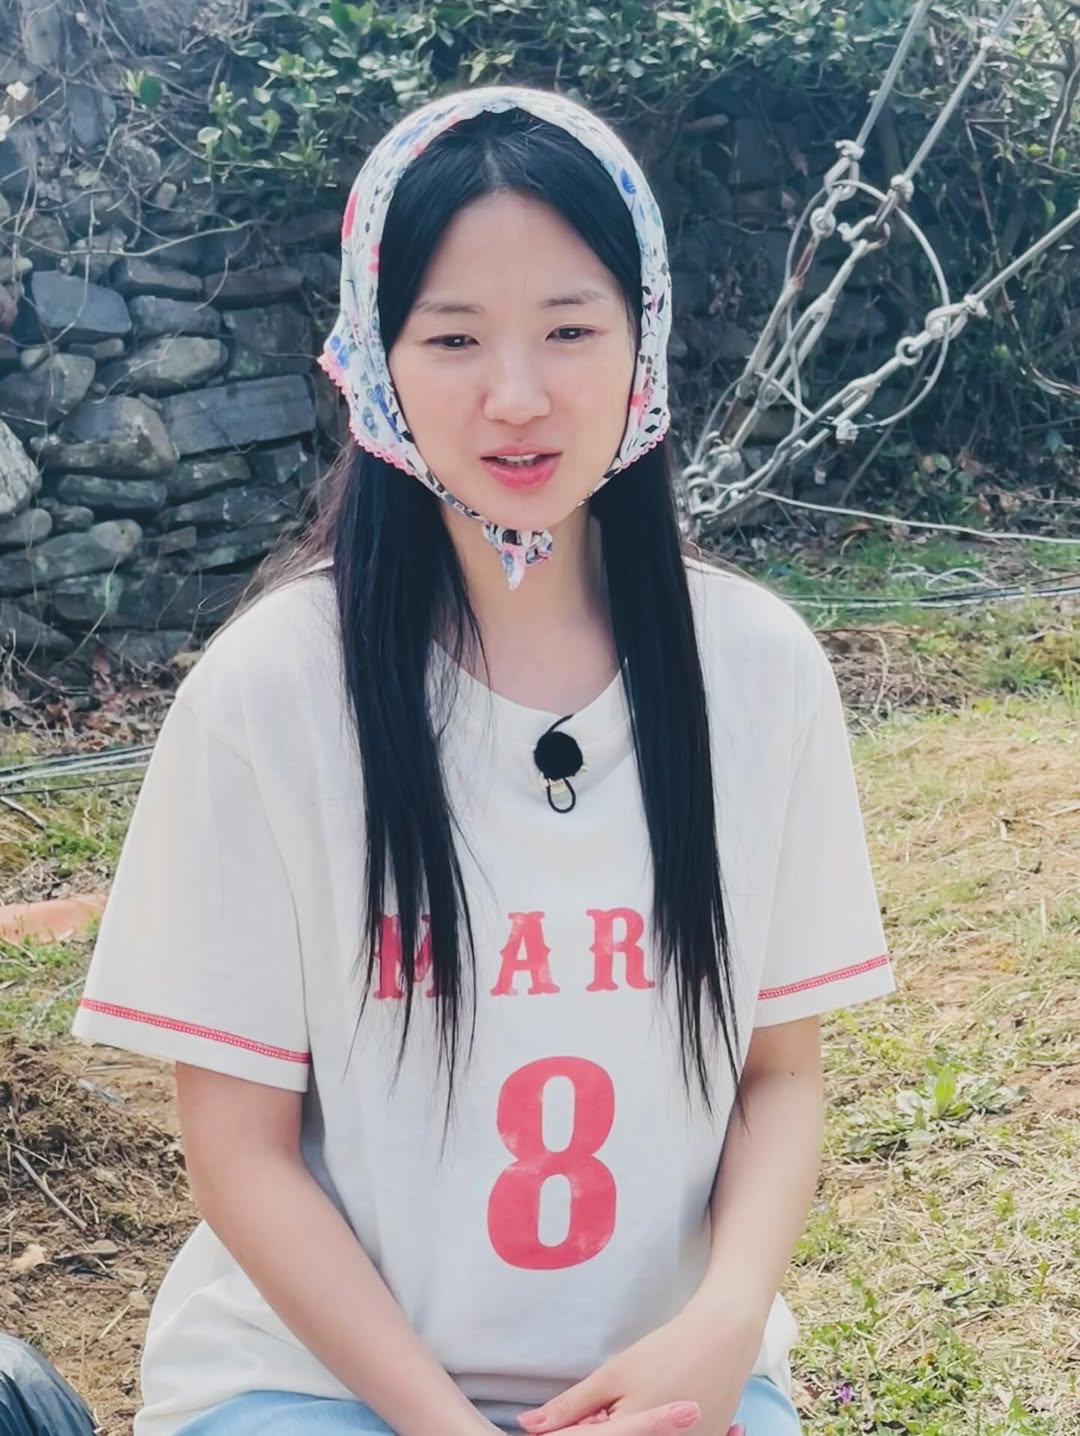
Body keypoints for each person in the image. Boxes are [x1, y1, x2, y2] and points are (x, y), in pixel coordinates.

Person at [70, 86, 896, 1436]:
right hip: (313, 1386)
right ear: (374, 359)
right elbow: (240, 1154)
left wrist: (726, 1324)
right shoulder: (270, 693)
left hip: (662, 1381)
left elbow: (780, 1075)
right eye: (452, 337)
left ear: (645, 342)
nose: (517, 397)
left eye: (570, 328)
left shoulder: (757, 669)